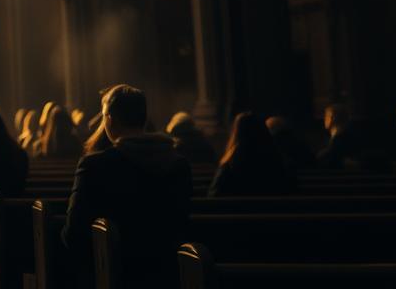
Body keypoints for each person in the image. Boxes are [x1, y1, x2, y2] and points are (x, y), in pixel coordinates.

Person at [62, 85, 190, 287]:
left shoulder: (95, 166)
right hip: (168, 274)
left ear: (110, 119)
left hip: (114, 275)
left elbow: (73, 234)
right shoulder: (178, 165)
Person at [209, 112, 295, 197]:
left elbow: (214, 194)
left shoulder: (229, 164)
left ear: (236, 133)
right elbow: (291, 190)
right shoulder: (278, 160)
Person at [318, 103, 364, 169]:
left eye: (327, 115)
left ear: (333, 118)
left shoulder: (339, 140)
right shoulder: (339, 138)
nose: (324, 119)